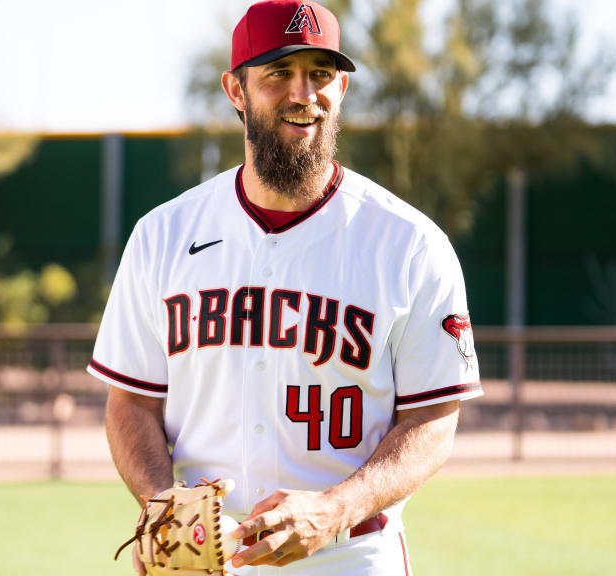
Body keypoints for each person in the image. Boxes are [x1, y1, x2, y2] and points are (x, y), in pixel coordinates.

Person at [88, 1, 483, 574]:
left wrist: (336, 508)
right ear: (235, 89)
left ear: (341, 86)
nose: (303, 93)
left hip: (351, 556)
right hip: (203, 558)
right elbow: (131, 401)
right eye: (278, 72)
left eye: (320, 73)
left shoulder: (410, 244)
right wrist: (159, 505)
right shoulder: (163, 236)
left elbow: (432, 419)